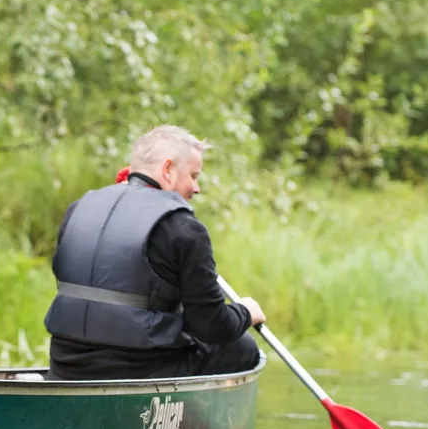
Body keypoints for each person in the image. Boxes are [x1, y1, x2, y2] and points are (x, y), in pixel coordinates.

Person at [44, 125, 265, 380]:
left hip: (66, 366)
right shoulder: (184, 228)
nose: (196, 188)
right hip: (140, 370)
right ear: (168, 169)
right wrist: (245, 312)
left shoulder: (78, 209)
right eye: (193, 176)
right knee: (242, 348)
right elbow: (211, 327)